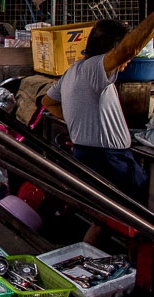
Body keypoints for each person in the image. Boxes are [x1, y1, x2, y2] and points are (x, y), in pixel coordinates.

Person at [42, 15, 154, 207]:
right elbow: (129, 49)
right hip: (108, 158)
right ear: (112, 49)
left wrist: (77, 120)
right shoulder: (94, 68)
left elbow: (47, 102)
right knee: (127, 215)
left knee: (102, 217)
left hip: (91, 154)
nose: (129, 59)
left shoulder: (73, 71)